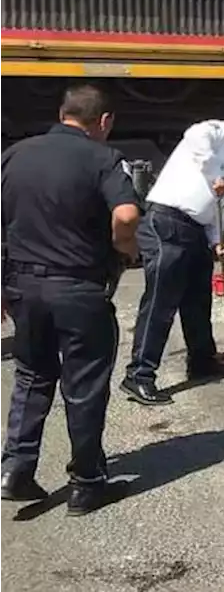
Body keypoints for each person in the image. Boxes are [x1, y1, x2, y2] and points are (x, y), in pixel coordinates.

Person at [0, 84, 142, 515]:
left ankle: (15, 470)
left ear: (62, 114)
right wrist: (125, 249)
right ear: (104, 122)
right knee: (83, 387)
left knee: (31, 374)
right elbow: (127, 214)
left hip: (23, 287)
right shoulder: (103, 158)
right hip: (77, 289)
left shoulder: (14, 155)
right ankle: (86, 484)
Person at [120, 115, 224, 406]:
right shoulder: (219, 132)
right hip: (169, 220)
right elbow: (194, 135)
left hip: (196, 229)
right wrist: (216, 177)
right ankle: (139, 374)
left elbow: (217, 205)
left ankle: (202, 360)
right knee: (161, 302)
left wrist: (217, 241)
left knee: (198, 302)